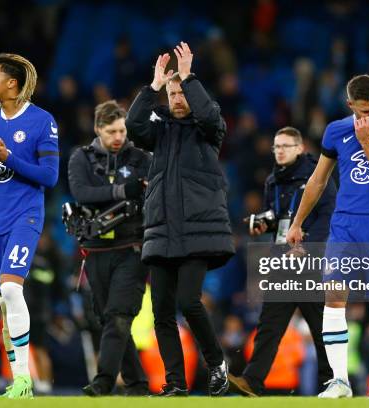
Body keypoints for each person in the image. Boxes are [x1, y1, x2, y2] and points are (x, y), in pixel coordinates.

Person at [287, 74, 369, 399]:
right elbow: (317, 181)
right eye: (365, 111)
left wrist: (368, 141)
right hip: (344, 225)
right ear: (350, 106)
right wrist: (297, 223)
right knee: (333, 297)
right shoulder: (336, 130)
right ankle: (339, 381)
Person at [126, 42, 234, 397]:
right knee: (161, 314)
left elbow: (207, 114)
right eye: (171, 93)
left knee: (189, 302)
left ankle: (216, 361)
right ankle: (175, 383)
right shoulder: (161, 131)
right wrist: (153, 86)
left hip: (198, 231)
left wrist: (188, 77)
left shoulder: (209, 127)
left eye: (180, 92)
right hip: (161, 231)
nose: (175, 98)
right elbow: (133, 125)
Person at [0, 53, 59, 399]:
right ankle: (17, 382)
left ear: (11, 83)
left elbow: (49, 177)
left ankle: (23, 381)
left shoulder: (41, 121)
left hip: (26, 217)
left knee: (11, 290)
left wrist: (9, 159)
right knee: (4, 302)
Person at [228, 127, 335, 396]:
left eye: (286, 146)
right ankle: (252, 380)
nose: (280, 151)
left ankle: (331, 384)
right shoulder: (273, 181)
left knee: (322, 329)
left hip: (310, 262)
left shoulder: (318, 175)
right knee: (269, 325)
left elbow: (328, 216)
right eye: (276, 146)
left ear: (300, 148)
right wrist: (261, 223)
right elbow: (278, 217)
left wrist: (308, 248)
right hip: (283, 262)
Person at [68, 100, 151, 396]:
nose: (118, 137)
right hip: (95, 251)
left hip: (132, 248)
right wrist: (121, 192)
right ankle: (138, 384)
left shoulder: (141, 158)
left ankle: (103, 382)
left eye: (122, 131)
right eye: (111, 131)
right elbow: (81, 193)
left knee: (119, 315)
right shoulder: (81, 158)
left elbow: (150, 194)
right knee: (108, 318)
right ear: (97, 130)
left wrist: (108, 197)